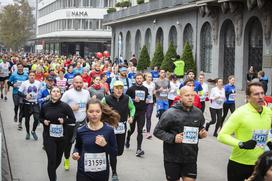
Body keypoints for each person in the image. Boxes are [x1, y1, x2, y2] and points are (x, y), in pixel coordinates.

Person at [217, 82, 272, 181]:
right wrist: (241, 144)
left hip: (259, 165)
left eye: (262, 93)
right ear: (248, 97)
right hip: (239, 164)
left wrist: (269, 141)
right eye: (256, 94)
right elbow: (222, 135)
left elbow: (264, 132)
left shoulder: (268, 112)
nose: (260, 97)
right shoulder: (240, 113)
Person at [153, 85, 208, 181]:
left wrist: (201, 134)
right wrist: (173, 138)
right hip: (172, 158)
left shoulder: (198, 113)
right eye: (187, 95)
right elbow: (157, 131)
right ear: (180, 97)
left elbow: (199, 129)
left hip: (190, 157)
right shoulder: (170, 113)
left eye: (192, 95)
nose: (190, 97)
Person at [72, 99, 118, 181]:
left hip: (101, 173)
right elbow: (78, 147)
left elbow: (114, 152)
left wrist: (105, 145)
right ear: (86, 112)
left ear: (101, 112)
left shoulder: (109, 130)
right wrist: (75, 153)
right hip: (83, 172)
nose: (94, 114)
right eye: (91, 111)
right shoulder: (80, 130)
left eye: (97, 111)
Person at [40, 86, 76, 181]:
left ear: (60, 94)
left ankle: (51, 171)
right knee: (51, 160)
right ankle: (52, 178)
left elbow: (73, 119)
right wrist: (44, 121)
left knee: (58, 159)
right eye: (54, 91)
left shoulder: (65, 106)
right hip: (49, 137)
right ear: (50, 93)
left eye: (58, 92)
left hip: (61, 137)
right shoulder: (45, 106)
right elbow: (40, 117)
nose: (55, 93)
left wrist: (64, 120)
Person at [101, 80, 135, 181]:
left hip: (121, 127)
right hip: (109, 128)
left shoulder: (127, 98)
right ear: (113, 89)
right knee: (113, 150)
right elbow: (99, 108)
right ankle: (114, 172)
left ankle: (110, 156)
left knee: (119, 151)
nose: (119, 90)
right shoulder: (106, 98)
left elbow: (132, 108)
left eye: (121, 88)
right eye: (117, 88)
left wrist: (131, 117)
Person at [61, 75, 91, 170]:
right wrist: (70, 108)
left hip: (83, 123)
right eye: (77, 82)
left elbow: (89, 106)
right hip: (71, 124)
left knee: (83, 143)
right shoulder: (68, 93)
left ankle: (81, 161)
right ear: (73, 83)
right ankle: (66, 159)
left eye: (80, 82)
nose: (79, 84)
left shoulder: (86, 93)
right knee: (68, 144)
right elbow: (60, 107)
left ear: (83, 83)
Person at [126, 73, 149, 157]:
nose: (139, 80)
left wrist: (147, 100)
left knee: (140, 131)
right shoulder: (131, 89)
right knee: (131, 130)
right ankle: (128, 138)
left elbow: (148, 97)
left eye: (141, 78)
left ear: (143, 79)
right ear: (135, 79)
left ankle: (138, 148)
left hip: (142, 112)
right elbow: (126, 99)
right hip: (133, 112)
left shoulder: (145, 89)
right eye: (137, 78)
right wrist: (133, 99)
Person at [18, 71, 41, 139]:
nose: (32, 76)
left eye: (33, 75)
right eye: (30, 75)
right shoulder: (24, 83)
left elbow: (39, 91)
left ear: (35, 76)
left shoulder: (38, 83)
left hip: (35, 104)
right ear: (28, 76)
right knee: (27, 120)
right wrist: (25, 96)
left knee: (37, 119)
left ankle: (33, 131)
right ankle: (27, 133)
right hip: (27, 104)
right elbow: (19, 92)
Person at [143, 73, 155, 139]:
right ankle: (143, 127)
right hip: (143, 103)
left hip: (150, 102)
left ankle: (148, 133)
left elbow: (153, 92)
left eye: (151, 77)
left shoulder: (153, 84)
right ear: (145, 77)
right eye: (148, 77)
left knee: (148, 116)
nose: (150, 78)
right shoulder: (143, 84)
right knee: (143, 116)